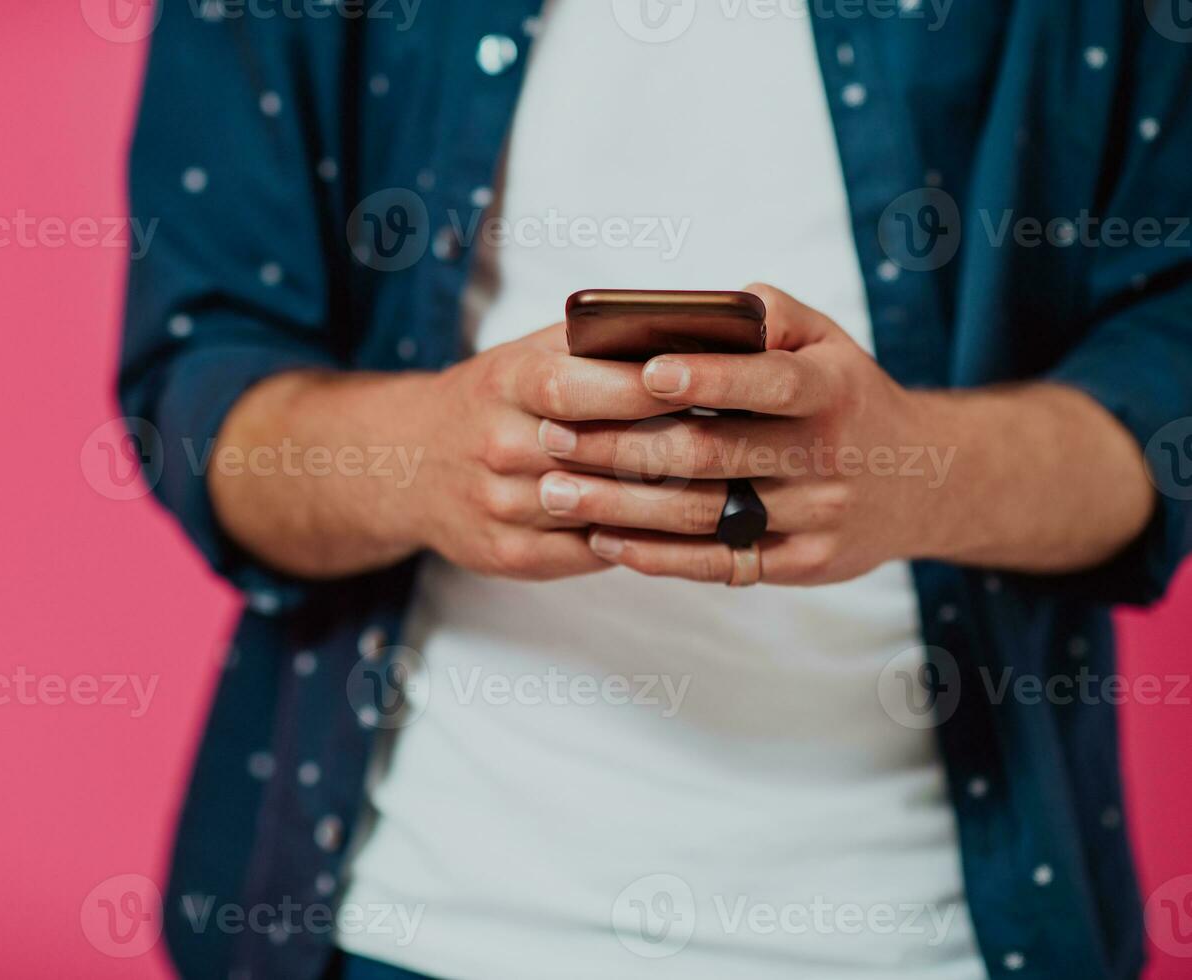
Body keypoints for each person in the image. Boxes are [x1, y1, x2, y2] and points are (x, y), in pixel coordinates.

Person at [119, 1, 1192, 977]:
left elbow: (1168, 369)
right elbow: (202, 379)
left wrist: (919, 470)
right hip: (403, 913)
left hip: (937, 932)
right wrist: (420, 456)